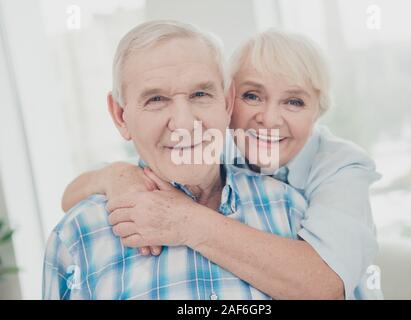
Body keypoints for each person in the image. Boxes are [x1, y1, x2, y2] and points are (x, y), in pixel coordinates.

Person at [54, 21, 381, 300]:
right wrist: (116, 176)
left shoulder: (333, 174)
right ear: (231, 101)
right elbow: (74, 194)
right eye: (252, 96)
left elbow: (324, 285)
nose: (268, 118)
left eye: (294, 101)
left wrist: (183, 220)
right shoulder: (220, 146)